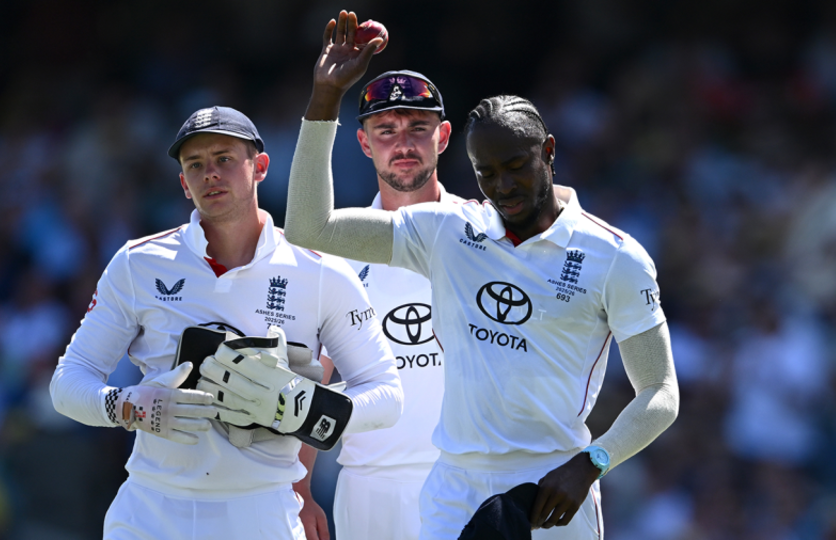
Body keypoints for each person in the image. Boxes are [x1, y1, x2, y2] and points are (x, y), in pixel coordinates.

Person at [284, 12, 680, 539]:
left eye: (516, 165)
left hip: (555, 485)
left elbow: (660, 392)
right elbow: (311, 227)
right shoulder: (450, 230)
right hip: (453, 488)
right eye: (487, 173)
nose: (503, 185)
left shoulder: (615, 256)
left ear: (549, 152)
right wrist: (325, 98)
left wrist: (592, 462)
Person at [50, 105, 403, 540]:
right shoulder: (136, 263)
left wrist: (301, 408)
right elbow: (67, 384)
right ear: (183, 183)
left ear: (260, 167)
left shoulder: (322, 272)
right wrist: (130, 405)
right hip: (149, 510)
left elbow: (387, 395)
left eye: (224, 159)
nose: (209, 174)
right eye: (195, 165)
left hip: (261, 510)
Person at [313, 69, 459, 540]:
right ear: (362, 142)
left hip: (469, 478)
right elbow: (315, 375)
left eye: (418, 127)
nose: (404, 144)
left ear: (443, 135)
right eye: (386, 131)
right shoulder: (336, 247)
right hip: (369, 486)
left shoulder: (484, 234)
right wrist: (298, 489)